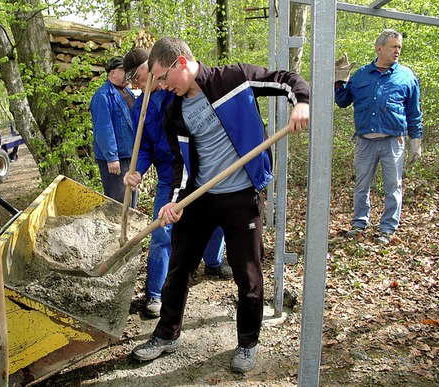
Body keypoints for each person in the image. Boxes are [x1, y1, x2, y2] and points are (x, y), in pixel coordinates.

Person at [130, 37, 309, 373]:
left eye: (163, 78)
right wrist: (175, 202)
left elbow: (286, 79)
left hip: (241, 196)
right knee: (179, 268)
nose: (163, 87)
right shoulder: (174, 112)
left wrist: (301, 102)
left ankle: (247, 342)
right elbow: (180, 166)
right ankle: (167, 333)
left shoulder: (234, 79)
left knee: (248, 275)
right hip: (200, 197)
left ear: (181, 63)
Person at [121, 48, 232, 318]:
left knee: (214, 218)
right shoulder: (141, 106)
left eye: (136, 76)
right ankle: (155, 294)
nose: (135, 84)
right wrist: (137, 170)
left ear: (153, 67)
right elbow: (144, 146)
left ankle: (214, 262)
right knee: (161, 230)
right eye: (131, 80)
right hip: (168, 174)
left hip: (198, 169)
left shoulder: (179, 92)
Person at [334, 29, 423, 245]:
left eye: (399, 47)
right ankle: (359, 224)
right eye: (393, 46)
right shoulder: (362, 75)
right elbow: (343, 101)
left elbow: (414, 111)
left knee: (393, 187)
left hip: (394, 141)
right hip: (365, 141)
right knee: (361, 185)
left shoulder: (406, 76)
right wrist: (340, 79)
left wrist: (416, 141)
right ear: (379, 48)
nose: (397, 51)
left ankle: (387, 229)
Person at [90, 56, 137, 206]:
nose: (128, 75)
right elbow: (104, 129)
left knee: (131, 198)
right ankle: (119, 229)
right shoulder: (103, 96)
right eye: (124, 71)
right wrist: (111, 158)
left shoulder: (127, 92)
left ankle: (131, 229)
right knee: (118, 201)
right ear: (112, 73)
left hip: (130, 154)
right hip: (116, 159)